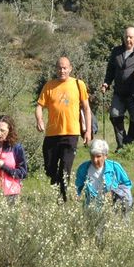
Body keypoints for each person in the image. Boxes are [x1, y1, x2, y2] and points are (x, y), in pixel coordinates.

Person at [36, 56, 92, 202]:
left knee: (65, 169)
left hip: (71, 133)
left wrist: (88, 131)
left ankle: (62, 198)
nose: (62, 71)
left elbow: (86, 108)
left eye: (65, 68)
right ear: (56, 69)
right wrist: (39, 120)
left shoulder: (78, 84)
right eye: (59, 68)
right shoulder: (49, 85)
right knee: (49, 167)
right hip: (52, 133)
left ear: (70, 68)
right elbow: (39, 106)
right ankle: (56, 185)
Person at [75, 139, 133, 212]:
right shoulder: (83, 168)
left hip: (111, 211)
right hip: (90, 209)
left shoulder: (115, 167)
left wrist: (114, 193)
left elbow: (127, 185)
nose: (95, 160)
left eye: (98, 156)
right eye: (92, 156)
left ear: (105, 156)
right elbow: (77, 188)